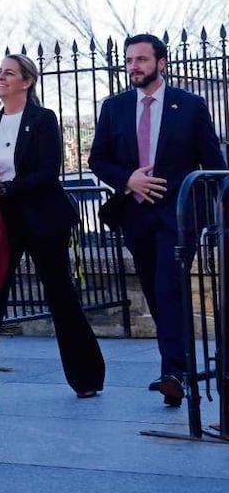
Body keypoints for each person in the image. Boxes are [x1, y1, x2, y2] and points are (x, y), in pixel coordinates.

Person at [0, 53, 106, 408]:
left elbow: (48, 174)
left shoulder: (43, 119)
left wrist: (2, 188)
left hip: (43, 220)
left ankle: (86, 377)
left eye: (9, 73)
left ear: (27, 81)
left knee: (60, 296)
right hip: (1, 223)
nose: (0, 78)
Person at [89, 33, 226, 407]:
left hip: (178, 215)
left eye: (142, 60)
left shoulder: (190, 105)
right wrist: (127, 178)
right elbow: (97, 159)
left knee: (169, 286)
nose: (134, 66)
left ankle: (174, 373)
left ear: (160, 63)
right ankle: (175, 373)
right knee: (154, 288)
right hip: (135, 213)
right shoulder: (114, 107)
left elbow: (214, 165)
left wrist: (215, 214)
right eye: (130, 60)